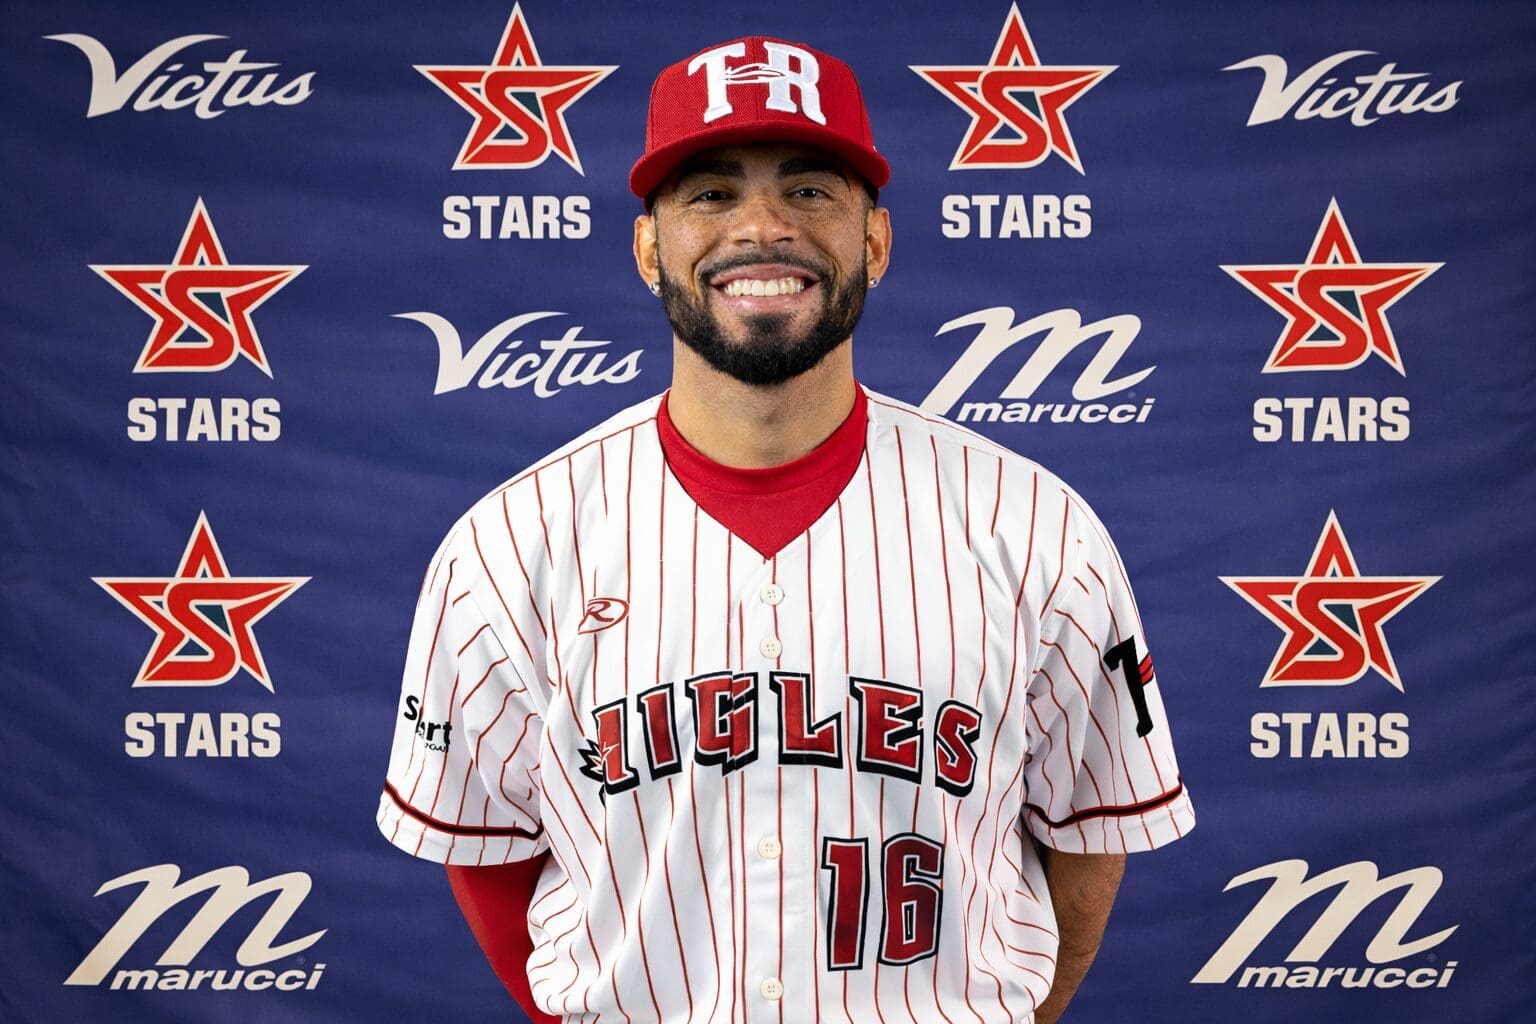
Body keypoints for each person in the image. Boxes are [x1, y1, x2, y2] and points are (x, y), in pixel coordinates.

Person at [379, 34, 1194, 1024]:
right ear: (649, 249)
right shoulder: (508, 546)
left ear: (876, 243)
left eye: (810, 191)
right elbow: (489, 856)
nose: (762, 227)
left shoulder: (1034, 526)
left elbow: (1089, 829)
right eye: (711, 193)